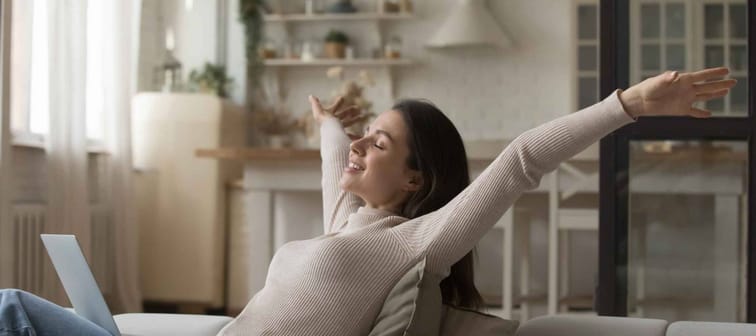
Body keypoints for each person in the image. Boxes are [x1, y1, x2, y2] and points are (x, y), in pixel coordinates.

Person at [0, 68, 736, 336]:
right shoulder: (344, 222)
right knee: (13, 306)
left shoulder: (411, 244)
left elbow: (520, 161)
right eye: (366, 138)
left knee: (9, 309)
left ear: (416, 179)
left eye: (380, 144)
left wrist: (627, 105)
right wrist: (334, 121)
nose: (358, 151)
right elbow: (333, 153)